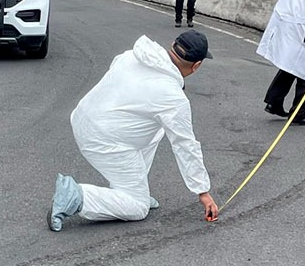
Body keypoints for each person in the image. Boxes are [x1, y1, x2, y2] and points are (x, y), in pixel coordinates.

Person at [48, 30, 219, 232]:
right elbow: (184, 145)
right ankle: (77, 196)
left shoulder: (131, 55)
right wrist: (202, 191)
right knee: (138, 207)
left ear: (173, 44)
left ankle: (133, 189)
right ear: (196, 65)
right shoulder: (172, 98)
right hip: (104, 139)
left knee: (156, 129)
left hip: (85, 119)